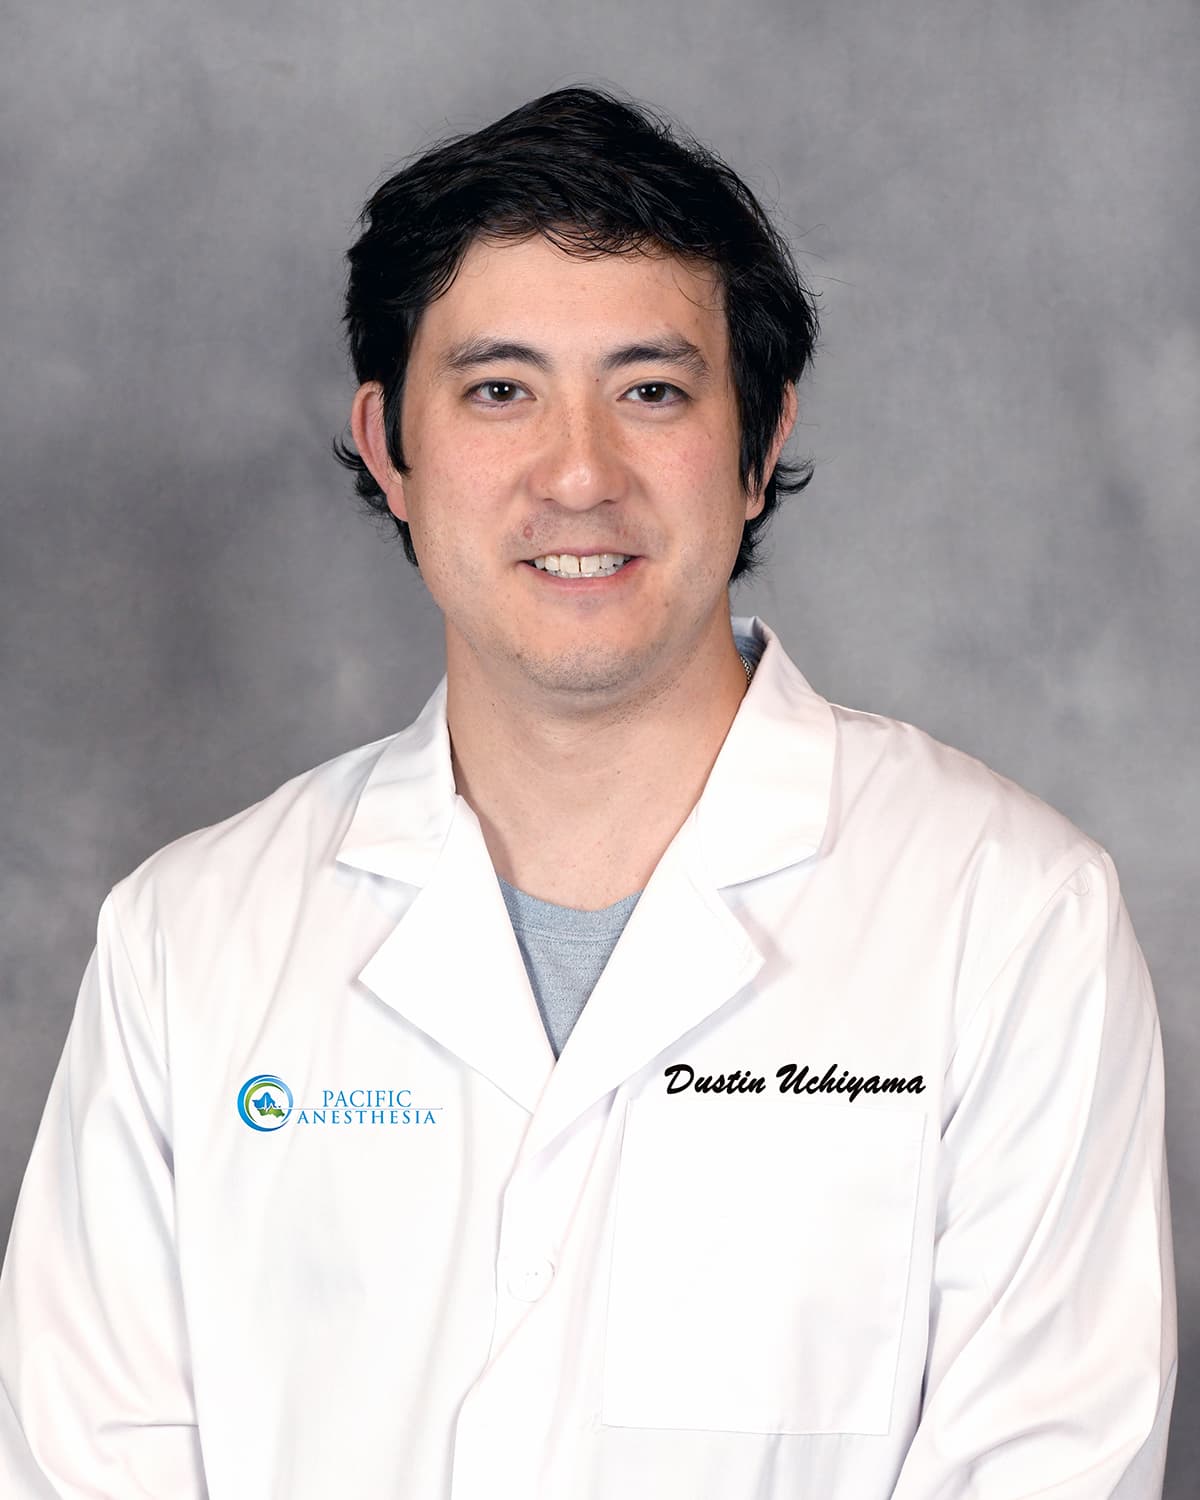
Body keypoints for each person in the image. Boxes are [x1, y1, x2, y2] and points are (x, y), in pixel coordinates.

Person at [0, 86, 1177, 1499]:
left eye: (652, 391)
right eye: (500, 390)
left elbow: (1047, 1464)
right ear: (390, 445)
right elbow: (82, 1466)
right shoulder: (187, 946)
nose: (578, 473)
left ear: (755, 446)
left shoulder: (1011, 918)